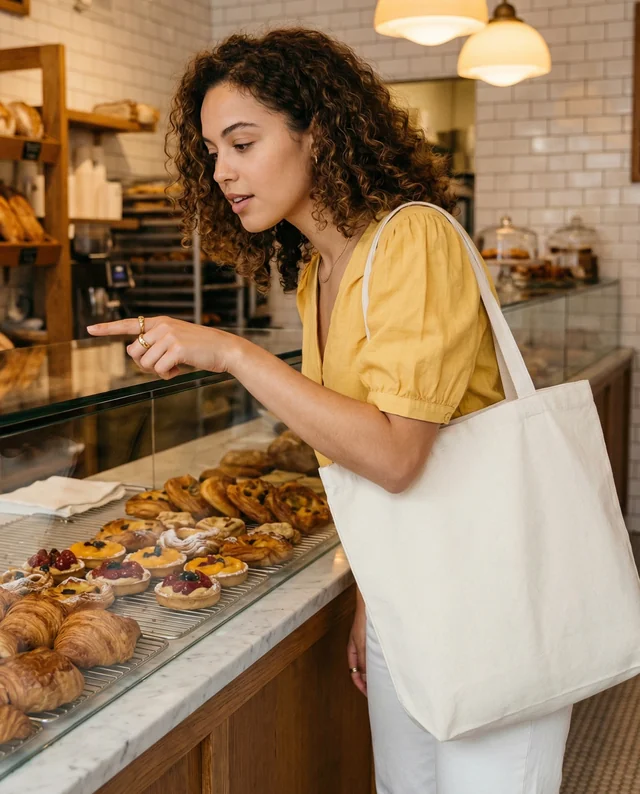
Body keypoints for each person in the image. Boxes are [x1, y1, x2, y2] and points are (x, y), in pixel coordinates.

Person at [88, 27, 573, 794]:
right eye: (213, 151)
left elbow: (393, 455)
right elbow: (360, 461)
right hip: (405, 604)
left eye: (243, 143)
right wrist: (372, 601)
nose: (222, 172)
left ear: (319, 132)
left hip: (488, 608)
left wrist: (232, 351)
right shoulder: (321, 267)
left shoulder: (412, 238)